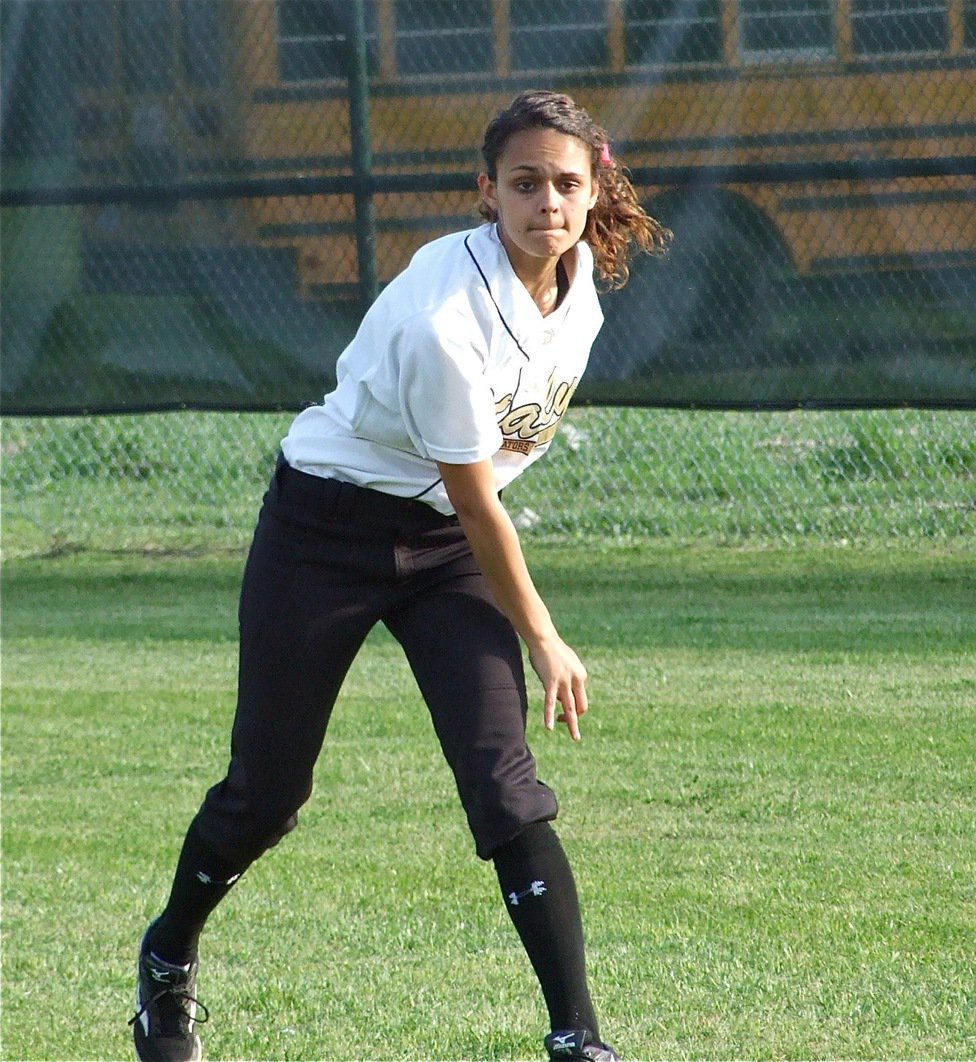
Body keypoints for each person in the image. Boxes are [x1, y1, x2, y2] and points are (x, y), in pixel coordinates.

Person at [129, 89, 668, 1062]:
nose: (548, 200)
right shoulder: (442, 317)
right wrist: (544, 636)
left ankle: (579, 1040)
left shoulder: (580, 282)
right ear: (487, 192)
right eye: (525, 182)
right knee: (269, 791)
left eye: (567, 182)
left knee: (506, 785)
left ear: (596, 192)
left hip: (445, 549)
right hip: (323, 531)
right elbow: (476, 502)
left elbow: (474, 500)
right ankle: (166, 963)